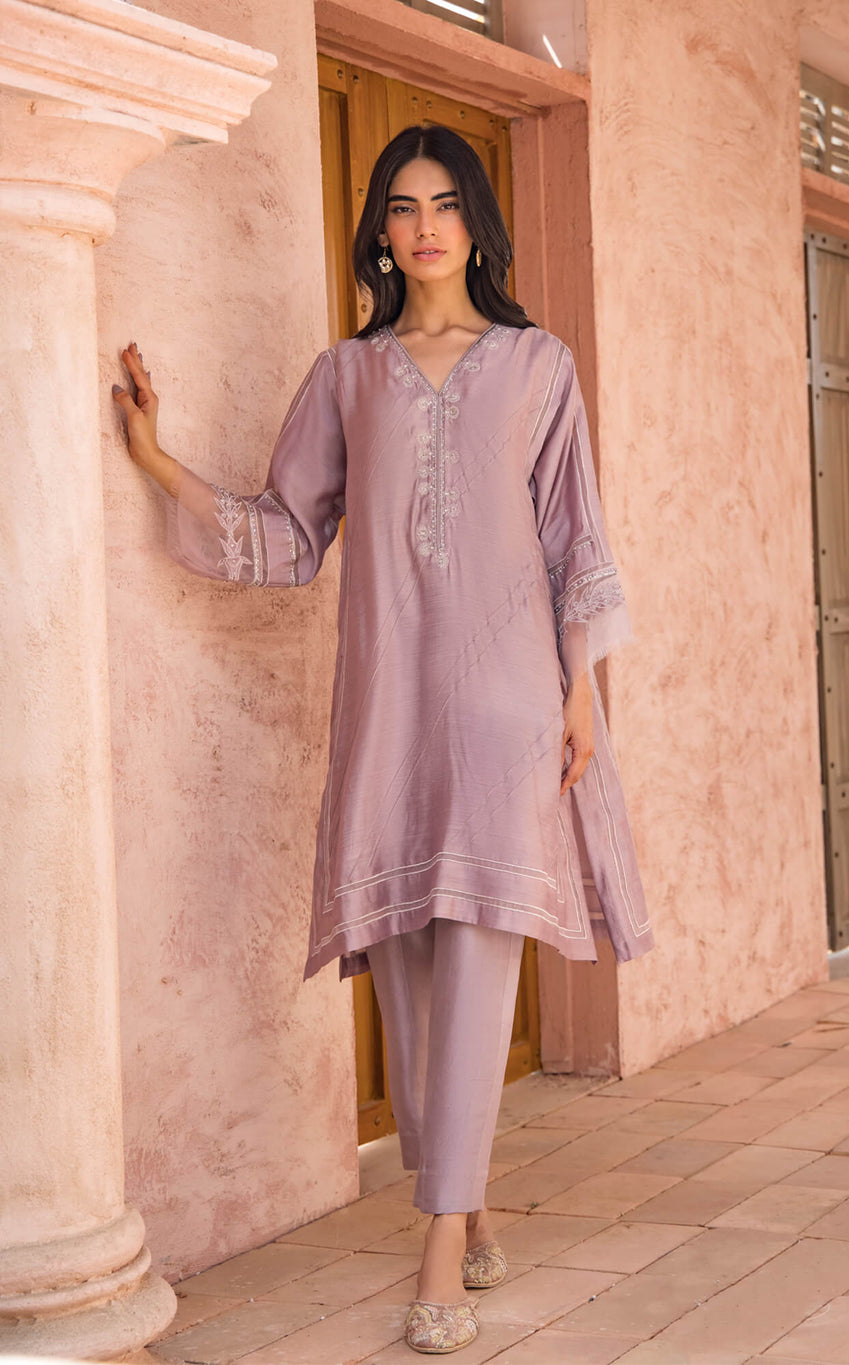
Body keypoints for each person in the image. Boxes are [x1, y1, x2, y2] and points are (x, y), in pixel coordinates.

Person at [113, 123, 653, 1356]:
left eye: (445, 203)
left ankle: (440, 1245)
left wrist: (580, 692)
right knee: (408, 969)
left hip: (509, 700)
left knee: (477, 951)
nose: (424, 227)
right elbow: (288, 533)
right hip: (390, 705)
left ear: (477, 224)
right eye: (402, 207)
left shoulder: (538, 366)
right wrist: (155, 461)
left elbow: (573, 536)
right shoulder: (347, 377)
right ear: (379, 231)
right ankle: (469, 1197)